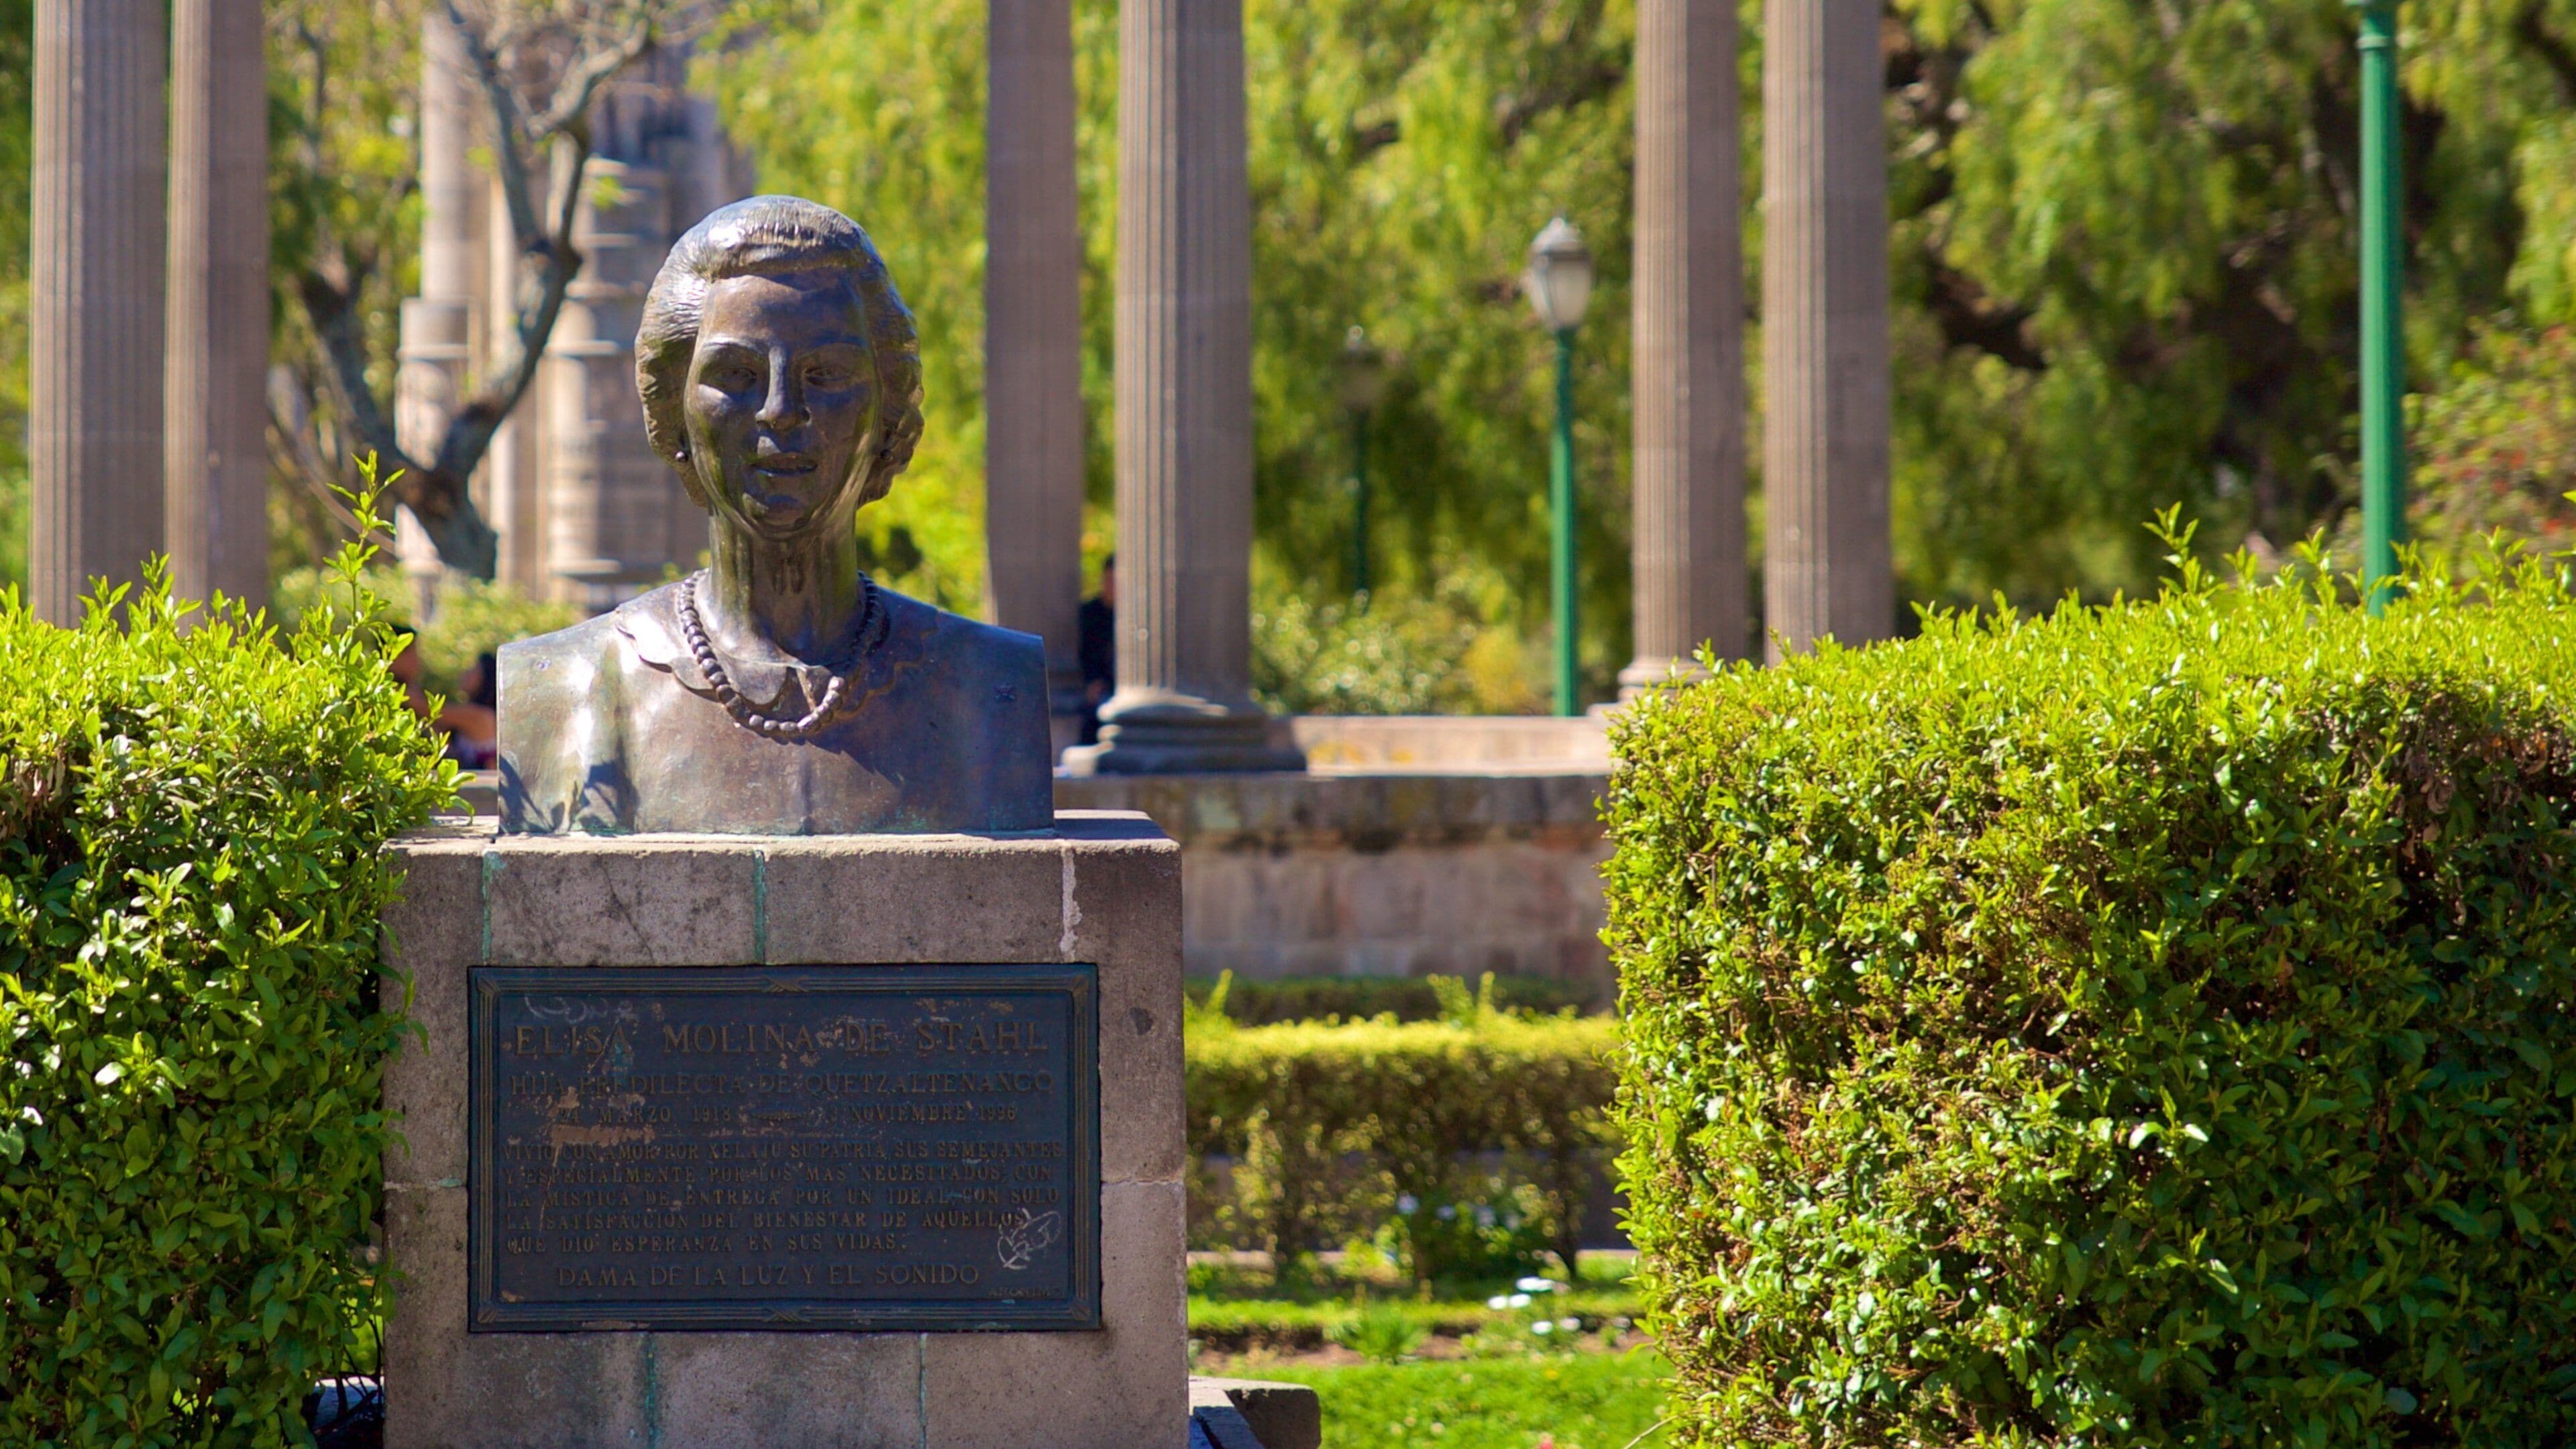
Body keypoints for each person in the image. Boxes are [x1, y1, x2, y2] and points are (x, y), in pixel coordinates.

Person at [495, 196, 1051, 835]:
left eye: (826, 373)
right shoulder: (563, 687)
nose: (781, 410)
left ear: (888, 414)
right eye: (736, 373)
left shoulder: (991, 688)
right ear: (674, 413)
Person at [1077, 554, 1115, 745]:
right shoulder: (1090, 613)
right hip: (1099, 684)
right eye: (1108, 580)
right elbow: (1085, 652)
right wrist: (1092, 681)